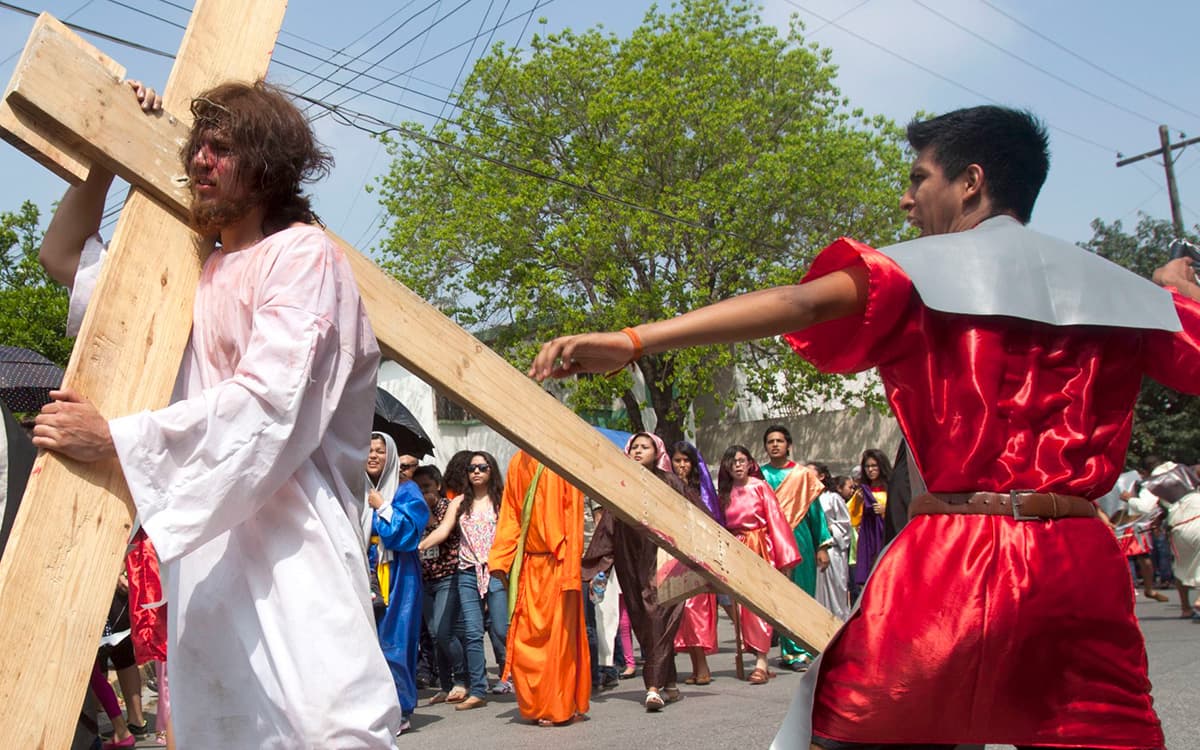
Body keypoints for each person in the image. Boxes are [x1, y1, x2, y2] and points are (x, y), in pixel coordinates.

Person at [530, 104, 1200, 749]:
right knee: (1099, 734)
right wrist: (1181, 294)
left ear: (971, 183)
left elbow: (797, 302)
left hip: (956, 557)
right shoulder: (1127, 295)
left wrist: (633, 339)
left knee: (865, 725)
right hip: (1078, 560)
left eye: (918, 179)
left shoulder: (915, 273)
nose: (907, 200)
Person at [34, 80, 402, 746]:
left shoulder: (302, 258)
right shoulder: (188, 274)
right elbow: (61, 255)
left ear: (267, 166)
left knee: (333, 728)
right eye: (196, 145)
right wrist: (113, 149)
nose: (200, 159)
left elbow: (270, 406)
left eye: (222, 148)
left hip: (297, 556)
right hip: (205, 565)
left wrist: (114, 439)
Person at [582, 432, 688, 711]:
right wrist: (597, 565)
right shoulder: (622, 484)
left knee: (657, 613)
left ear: (657, 450)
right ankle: (670, 680)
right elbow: (608, 527)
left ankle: (653, 687)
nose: (639, 451)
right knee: (645, 621)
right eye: (635, 447)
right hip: (631, 559)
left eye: (645, 447)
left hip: (665, 558)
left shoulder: (670, 482)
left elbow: (691, 516)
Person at [489, 450, 590, 726]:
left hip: (558, 564)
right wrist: (500, 558)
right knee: (524, 640)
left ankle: (559, 706)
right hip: (529, 564)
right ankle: (535, 705)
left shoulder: (563, 459)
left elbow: (573, 519)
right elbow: (510, 512)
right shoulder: (517, 460)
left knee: (559, 641)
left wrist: (570, 572)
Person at [715, 446, 801, 685]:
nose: (737, 466)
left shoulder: (760, 487)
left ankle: (762, 661)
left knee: (760, 604)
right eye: (732, 462)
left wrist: (784, 559)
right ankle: (753, 649)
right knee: (740, 607)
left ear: (750, 463)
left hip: (761, 548)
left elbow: (777, 521)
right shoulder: (723, 493)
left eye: (741, 460)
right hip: (736, 549)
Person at [760, 426, 830, 672]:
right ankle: (790, 652)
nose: (775, 445)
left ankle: (804, 646)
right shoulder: (760, 475)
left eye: (779, 441)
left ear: (788, 444)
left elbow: (815, 512)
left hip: (800, 538)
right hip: (771, 541)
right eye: (770, 441)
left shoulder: (802, 475)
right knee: (781, 595)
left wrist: (822, 545)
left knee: (802, 592)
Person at [372, 457, 430, 732]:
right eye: (368, 449)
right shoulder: (353, 486)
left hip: (398, 574)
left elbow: (406, 535)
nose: (372, 455)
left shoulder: (406, 490)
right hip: (364, 569)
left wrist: (382, 507)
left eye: (380, 450)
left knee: (395, 640)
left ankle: (400, 708)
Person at [454, 451, 508, 709]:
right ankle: (478, 690)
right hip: (467, 571)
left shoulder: (503, 502)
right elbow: (443, 529)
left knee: (500, 629)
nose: (476, 472)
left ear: (491, 471)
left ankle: (515, 674)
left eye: (482, 467)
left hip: (496, 570)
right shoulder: (460, 503)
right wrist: (420, 545)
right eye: (472, 468)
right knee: (473, 633)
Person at [413, 465, 468, 705]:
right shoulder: (415, 512)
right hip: (425, 579)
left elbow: (444, 533)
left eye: (426, 487)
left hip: (448, 577)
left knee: (445, 632)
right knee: (435, 635)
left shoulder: (448, 507)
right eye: (418, 488)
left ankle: (462, 679)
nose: (423, 493)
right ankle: (446, 686)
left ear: (437, 485)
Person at [668, 440, 722, 685]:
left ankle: (703, 667)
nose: (681, 465)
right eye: (677, 460)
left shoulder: (701, 491)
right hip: (675, 554)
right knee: (683, 613)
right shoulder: (669, 485)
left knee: (695, 610)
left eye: (686, 460)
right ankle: (696, 666)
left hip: (698, 556)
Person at [810, 467, 851, 621]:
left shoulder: (832, 498)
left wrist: (830, 529)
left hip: (833, 550)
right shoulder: (805, 498)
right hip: (812, 550)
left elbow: (845, 524)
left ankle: (839, 624)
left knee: (836, 592)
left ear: (822, 476)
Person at [849, 449, 889, 592]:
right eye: (867, 466)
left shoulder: (891, 488)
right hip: (868, 535)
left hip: (886, 534)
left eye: (874, 465)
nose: (871, 470)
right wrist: (859, 501)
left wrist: (886, 510)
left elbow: (900, 509)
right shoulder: (863, 490)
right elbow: (853, 518)